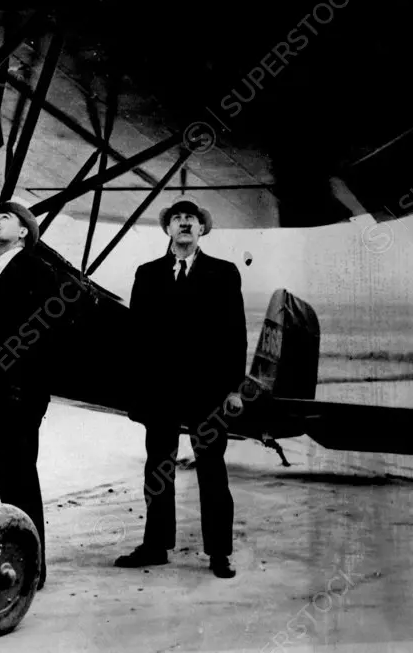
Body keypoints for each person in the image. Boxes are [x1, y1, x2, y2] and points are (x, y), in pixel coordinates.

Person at [115, 199, 247, 578]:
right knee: (158, 467)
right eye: (177, 218)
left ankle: (219, 552)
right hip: (160, 390)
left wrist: (234, 389)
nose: (185, 223)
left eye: (192, 219)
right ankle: (155, 545)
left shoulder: (223, 273)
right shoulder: (148, 273)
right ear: (168, 230)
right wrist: (135, 390)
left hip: (208, 390)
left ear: (202, 229)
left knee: (211, 468)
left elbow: (235, 335)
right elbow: (136, 338)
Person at [0, 201, 60, 591]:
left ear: (24, 233)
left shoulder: (36, 269)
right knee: (8, 479)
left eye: (6, 217)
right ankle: (23, 556)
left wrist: (25, 388)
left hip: (20, 394)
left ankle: (34, 566)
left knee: (20, 478)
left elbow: (43, 333)